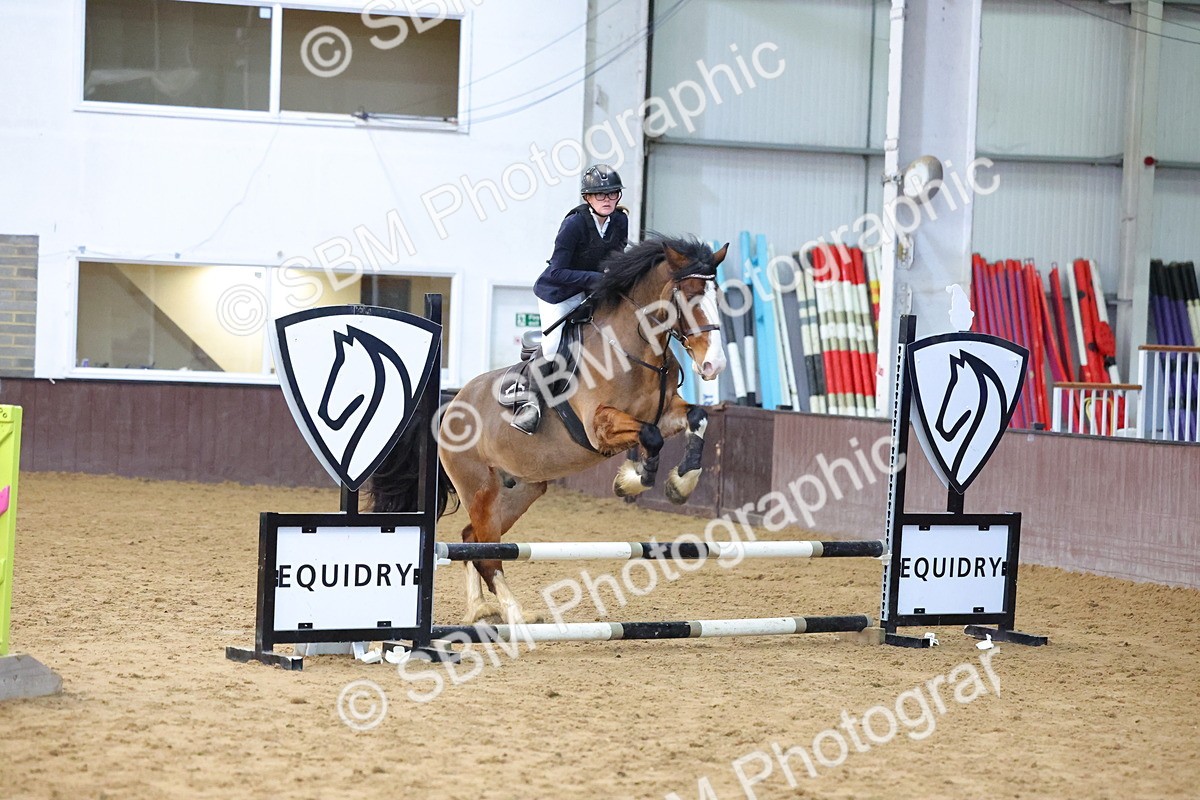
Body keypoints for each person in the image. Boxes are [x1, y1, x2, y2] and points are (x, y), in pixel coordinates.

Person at [511, 164, 630, 434]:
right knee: (553, 343)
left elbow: (617, 256)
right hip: (558, 293)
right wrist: (595, 279)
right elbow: (557, 270)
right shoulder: (574, 224)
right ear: (588, 198)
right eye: (601, 195)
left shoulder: (620, 221)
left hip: (592, 291)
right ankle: (530, 402)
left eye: (612, 194)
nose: (608, 200)